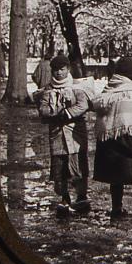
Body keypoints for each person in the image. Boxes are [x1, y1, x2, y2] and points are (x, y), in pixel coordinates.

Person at [90, 56, 132, 221]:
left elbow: (97, 105)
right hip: (128, 135)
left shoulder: (110, 88)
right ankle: (118, 207)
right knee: (123, 172)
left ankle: (116, 206)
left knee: (114, 176)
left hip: (109, 135)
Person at [35, 54, 91, 218]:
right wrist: (55, 113)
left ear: (68, 69)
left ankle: (81, 197)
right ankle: (64, 197)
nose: (59, 73)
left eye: (62, 69)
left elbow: (83, 105)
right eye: (56, 70)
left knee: (78, 166)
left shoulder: (76, 87)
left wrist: (67, 113)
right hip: (57, 136)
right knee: (59, 168)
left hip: (75, 135)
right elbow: (42, 108)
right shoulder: (47, 89)